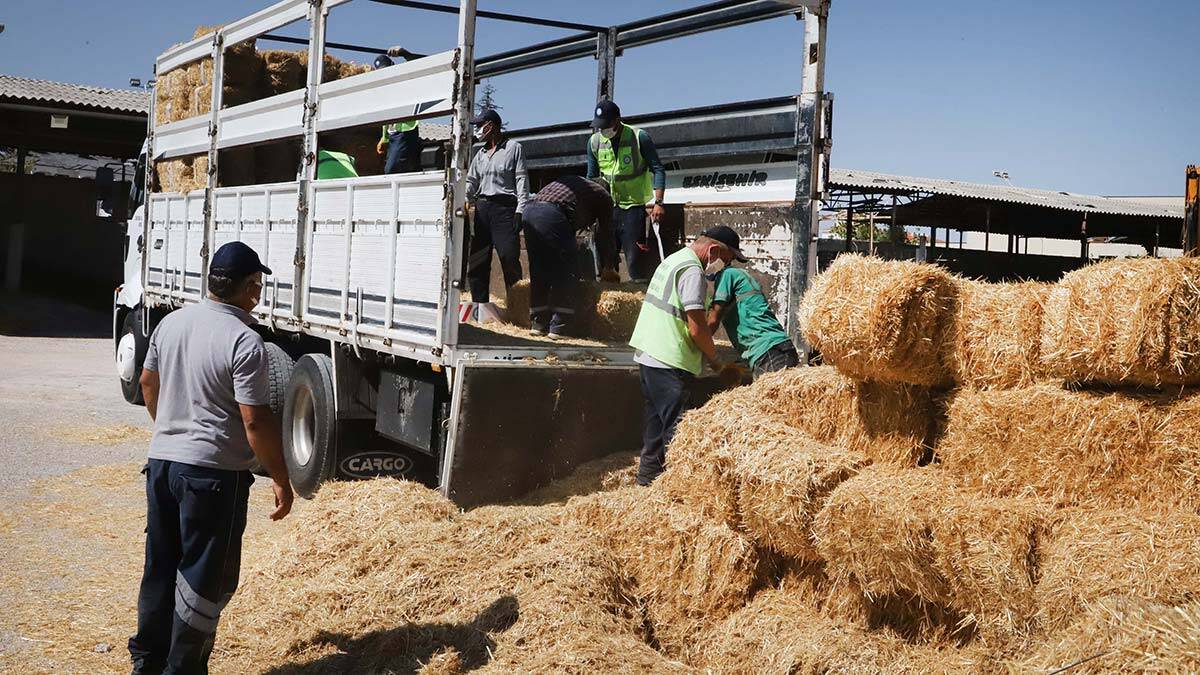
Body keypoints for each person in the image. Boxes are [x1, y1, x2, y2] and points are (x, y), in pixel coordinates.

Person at [129, 241, 293, 674]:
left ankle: (146, 663)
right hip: (214, 476)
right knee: (202, 580)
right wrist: (280, 476)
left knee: (160, 567)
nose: (258, 294)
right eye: (257, 285)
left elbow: (147, 383)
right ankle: (182, 669)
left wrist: (171, 430)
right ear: (251, 288)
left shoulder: (172, 323)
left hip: (163, 464)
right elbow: (254, 421)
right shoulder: (244, 340)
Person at [628, 225, 745, 486]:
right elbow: (696, 328)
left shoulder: (673, 260)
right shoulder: (693, 271)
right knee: (679, 433)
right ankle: (681, 489)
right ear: (713, 250)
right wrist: (716, 361)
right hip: (670, 360)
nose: (722, 267)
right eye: (724, 260)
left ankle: (646, 484)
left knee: (656, 429)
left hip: (650, 355)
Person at [521, 175, 615, 337]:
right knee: (567, 271)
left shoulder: (576, 185)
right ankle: (559, 326)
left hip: (529, 212)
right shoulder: (604, 196)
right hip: (552, 214)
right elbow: (606, 233)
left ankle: (538, 323)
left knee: (539, 268)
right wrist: (609, 266)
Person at [586, 99, 667, 283]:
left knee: (635, 263)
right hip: (606, 210)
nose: (602, 130)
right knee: (605, 265)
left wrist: (658, 203)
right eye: (599, 127)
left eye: (606, 125)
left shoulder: (639, 137)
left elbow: (658, 169)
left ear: (617, 121)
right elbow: (591, 178)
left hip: (632, 209)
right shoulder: (594, 142)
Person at [465, 108, 529, 305]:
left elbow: (522, 181)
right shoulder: (480, 154)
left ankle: (517, 307)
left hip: (505, 210)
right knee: (478, 260)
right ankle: (479, 305)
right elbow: (471, 182)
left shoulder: (513, 148)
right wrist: (461, 199)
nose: (477, 129)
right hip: (483, 210)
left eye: (479, 125)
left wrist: (521, 210)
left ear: (490, 126)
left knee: (509, 258)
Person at [708, 266, 799, 380]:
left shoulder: (727, 274)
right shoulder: (742, 275)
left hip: (768, 351)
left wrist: (699, 346)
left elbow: (713, 319)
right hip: (777, 347)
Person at [373, 53, 423, 174]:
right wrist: (384, 138)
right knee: (394, 170)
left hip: (405, 132)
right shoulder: (384, 91)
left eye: (386, 70)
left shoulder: (403, 80)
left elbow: (417, 64)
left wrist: (404, 53)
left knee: (391, 170)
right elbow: (387, 118)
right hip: (393, 136)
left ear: (393, 66)